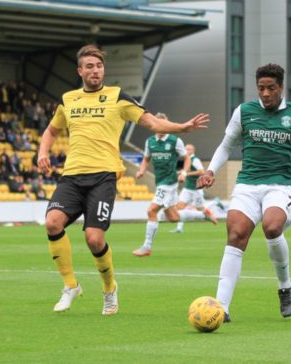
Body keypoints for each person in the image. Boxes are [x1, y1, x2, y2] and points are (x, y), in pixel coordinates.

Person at [38, 44, 209, 315]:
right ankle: (70, 286)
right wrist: (42, 152)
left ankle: (109, 290)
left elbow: (152, 123)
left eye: (99, 66)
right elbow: (50, 130)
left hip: (103, 177)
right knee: (51, 223)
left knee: (94, 239)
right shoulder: (68, 99)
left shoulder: (118, 97)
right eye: (90, 66)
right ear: (80, 71)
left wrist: (182, 127)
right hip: (71, 176)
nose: (95, 71)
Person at [196, 63, 291, 322]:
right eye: (261, 88)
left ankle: (285, 287)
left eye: (271, 88)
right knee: (236, 234)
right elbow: (226, 146)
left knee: (271, 227)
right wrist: (210, 170)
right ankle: (221, 307)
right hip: (248, 184)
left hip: (281, 185)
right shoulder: (244, 111)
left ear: (281, 87)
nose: (266, 93)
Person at [133, 114, 215, 256]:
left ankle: (147, 247)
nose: (163, 126)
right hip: (159, 181)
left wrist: (184, 172)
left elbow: (187, 159)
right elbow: (146, 159)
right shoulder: (150, 142)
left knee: (151, 211)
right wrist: (141, 170)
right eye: (160, 124)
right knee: (173, 217)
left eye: (165, 124)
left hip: (169, 182)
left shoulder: (175, 140)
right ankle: (202, 215)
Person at [170, 143, 218, 233]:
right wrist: (181, 172)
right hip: (187, 188)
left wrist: (186, 174)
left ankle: (213, 217)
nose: (186, 151)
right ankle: (179, 228)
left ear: (193, 151)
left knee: (200, 208)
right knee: (180, 206)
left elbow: (201, 171)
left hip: (196, 189)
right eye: (185, 149)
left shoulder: (195, 160)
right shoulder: (186, 160)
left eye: (188, 149)